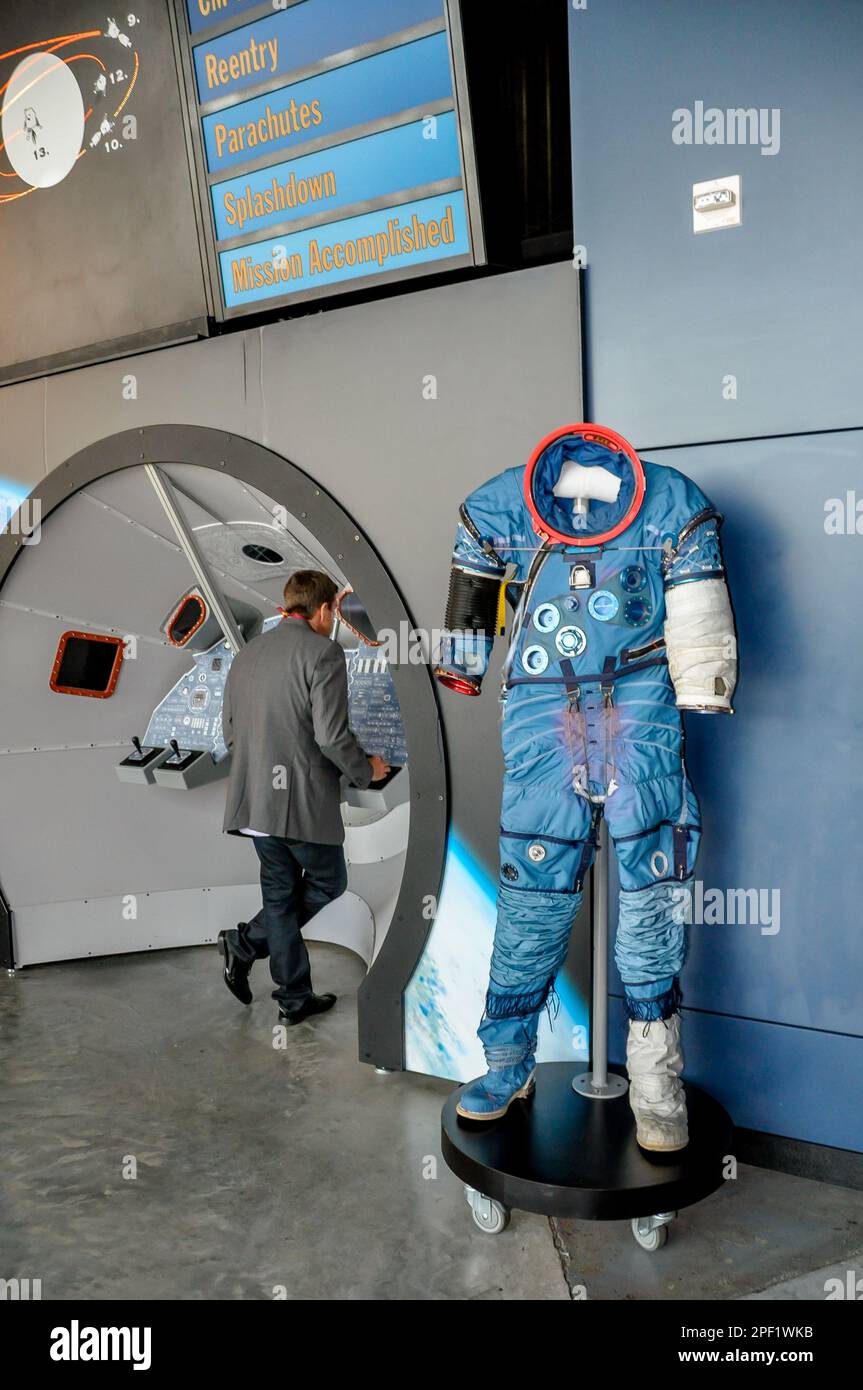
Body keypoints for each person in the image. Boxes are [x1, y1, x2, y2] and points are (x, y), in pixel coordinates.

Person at [218, 570, 390, 1023]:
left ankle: (292, 995)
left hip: (254, 802)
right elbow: (331, 736)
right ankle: (248, 944)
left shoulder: (248, 653)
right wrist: (367, 771)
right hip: (297, 803)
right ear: (325, 610)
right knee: (329, 881)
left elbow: (230, 735)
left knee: (279, 895)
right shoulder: (324, 652)